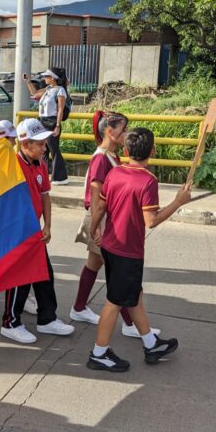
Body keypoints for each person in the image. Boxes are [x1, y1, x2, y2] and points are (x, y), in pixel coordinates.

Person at [87, 128, 189, 372]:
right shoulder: (148, 181)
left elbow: (100, 206)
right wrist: (178, 202)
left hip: (111, 246)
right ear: (152, 151)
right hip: (127, 251)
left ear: (125, 150)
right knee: (114, 301)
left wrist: (93, 229)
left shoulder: (114, 173)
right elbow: (151, 221)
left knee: (134, 297)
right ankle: (99, 353)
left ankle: (151, 343)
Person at [70, 111, 158, 338]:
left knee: (99, 266)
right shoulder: (101, 158)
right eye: (123, 129)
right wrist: (97, 225)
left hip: (104, 218)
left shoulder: (111, 155)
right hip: (102, 219)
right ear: (110, 132)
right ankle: (130, 323)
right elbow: (96, 193)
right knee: (119, 273)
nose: (126, 133)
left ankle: (80, 308)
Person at [0, 118, 75, 344]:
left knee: (44, 275)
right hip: (17, 233)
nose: (44, 148)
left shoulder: (41, 163)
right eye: (40, 144)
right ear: (25, 144)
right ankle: (10, 323)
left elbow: (45, 196)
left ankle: (47, 319)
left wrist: (48, 225)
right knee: (19, 279)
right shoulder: (11, 167)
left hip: (35, 231)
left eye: (45, 143)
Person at [24, 68, 69, 185]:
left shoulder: (60, 91)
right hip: (42, 121)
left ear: (52, 78)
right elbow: (34, 93)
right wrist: (28, 81)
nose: (45, 78)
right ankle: (43, 174)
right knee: (43, 150)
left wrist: (58, 125)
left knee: (53, 148)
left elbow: (60, 110)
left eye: (46, 76)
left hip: (52, 121)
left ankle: (60, 177)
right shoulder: (48, 89)